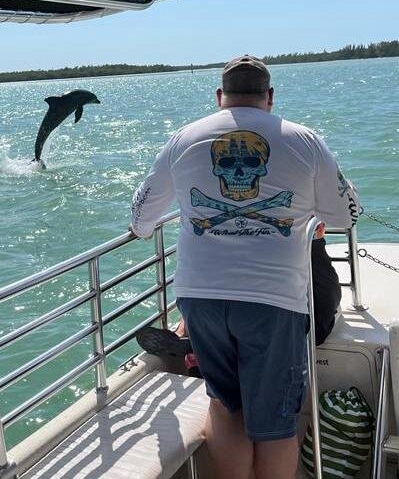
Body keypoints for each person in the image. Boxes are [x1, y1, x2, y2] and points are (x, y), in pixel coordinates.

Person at [130, 55, 360, 479]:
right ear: (270, 97)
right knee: (274, 425)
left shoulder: (183, 139)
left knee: (224, 404)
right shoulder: (304, 139)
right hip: (273, 301)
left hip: (199, 296)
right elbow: (346, 215)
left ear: (220, 96)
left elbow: (141, 218)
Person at [137, 223, 343, 373]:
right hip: (311, 326)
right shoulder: (310, 262)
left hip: (283, 327)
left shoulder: (271, 252)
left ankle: (193, 341)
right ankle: (196, 342)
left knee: (214, 286)